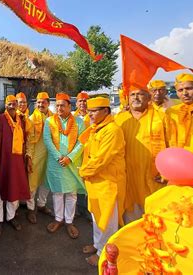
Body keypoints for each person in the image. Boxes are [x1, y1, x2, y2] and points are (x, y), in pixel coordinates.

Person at [79, 96, 126, 267]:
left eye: (94, 111)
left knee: (107, 221)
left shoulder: (112, 131)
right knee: (97, 217)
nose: (90, 114)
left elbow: (101, 160)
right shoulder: (97, 128)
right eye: (89, 111)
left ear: (106, 111)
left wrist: (83, 172)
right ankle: (98, 245)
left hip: (108, 182)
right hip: (95, 181)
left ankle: (103, 255)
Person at [114, 87, 170, 223]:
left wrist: (167, 172)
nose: (136, 98)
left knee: (156, 218)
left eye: (140, 94)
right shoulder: (120, 118)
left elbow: (172, 145)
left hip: (154, 176)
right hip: (128, 177)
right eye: (132, 94)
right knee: (131, 220)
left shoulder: (161, 117)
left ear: (148, 97)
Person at [43, 93, 86, 239]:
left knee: (71, 193)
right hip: (55, 162)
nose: (59, 108)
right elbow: (47, 140)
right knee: (57, 192)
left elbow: (82, 142)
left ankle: (69, 221)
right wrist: (58, 156)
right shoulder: (49, 121)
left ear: (69, 106)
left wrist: (70, 158)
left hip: (72, 163)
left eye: (63, 105)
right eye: (58, 105)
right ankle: (58, 219)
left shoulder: (79, 122)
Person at [0, 95, 31, 235]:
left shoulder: (21, 120)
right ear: (5, 105)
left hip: (18, 161)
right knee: (0, 189)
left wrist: (27, 159)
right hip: (4, 160)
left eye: (14, 103)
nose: (12, 106)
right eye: (9, 103)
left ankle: (10, 216)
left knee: (14, 189)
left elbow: (25, 141)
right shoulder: (0, 120)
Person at [25, 92, 54, 224]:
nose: (41, 104)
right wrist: (29, 158)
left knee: (46, 182)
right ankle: (31, 208)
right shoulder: (31, 119)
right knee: (32, 183)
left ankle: (41, 204)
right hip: (36, 155)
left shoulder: (54, 118)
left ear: (48, 103)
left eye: (43, 102)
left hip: (50, 155)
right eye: (38, 102)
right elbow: (29, 141)